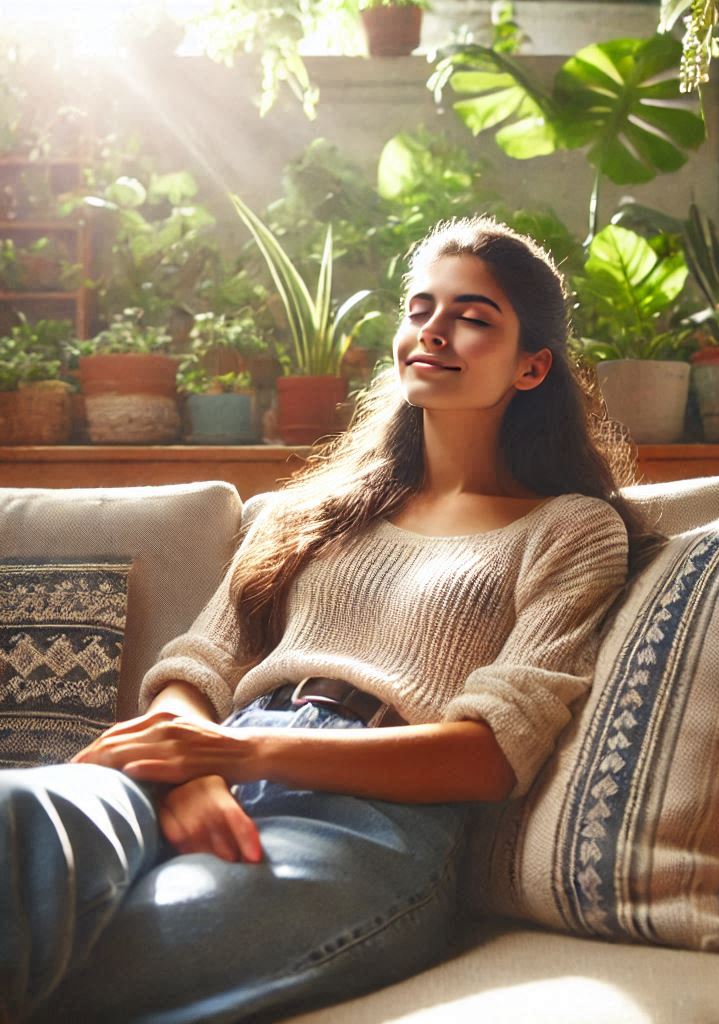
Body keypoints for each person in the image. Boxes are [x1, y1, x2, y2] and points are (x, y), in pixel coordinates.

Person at [0, 216, 665, 1024]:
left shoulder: (568, 528)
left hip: (369, 819)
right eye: (421, 307)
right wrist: (196, 768)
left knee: (123, 951)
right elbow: (196, 666)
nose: (434, 329)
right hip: (204, 762)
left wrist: (230, 752)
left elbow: (491, 756)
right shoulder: (313, 513)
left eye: (473, 316)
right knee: (15, 818)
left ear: (532, 367)